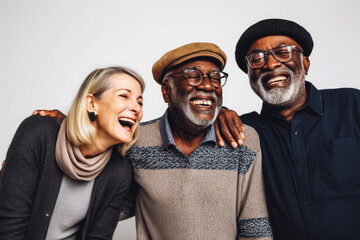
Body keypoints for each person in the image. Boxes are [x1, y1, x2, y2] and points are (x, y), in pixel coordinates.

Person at [215, 18, 360, 240]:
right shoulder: (244, 132)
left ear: (306, 64)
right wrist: (216, 113)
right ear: (250, 76)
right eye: (256, 59)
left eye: (283, 53)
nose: (270, 64)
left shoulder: (352, 105)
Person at [123, 42, 272, 239]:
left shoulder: (242, 141)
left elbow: (256, 232)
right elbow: (105, 209)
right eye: (193, 76)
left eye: (215, 77)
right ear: (166, 91)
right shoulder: (135, 141)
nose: (209, 85)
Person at [0, 66, 144, 239]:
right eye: (124, 96)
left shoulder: (119, 171)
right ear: (91, 104)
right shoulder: (38, 133)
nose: (137, 108)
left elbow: (98, 237)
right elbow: (9, 227)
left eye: (140, 102)